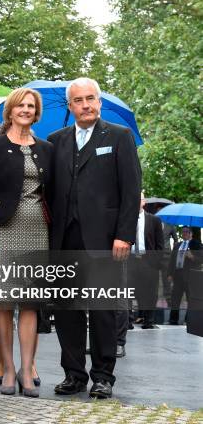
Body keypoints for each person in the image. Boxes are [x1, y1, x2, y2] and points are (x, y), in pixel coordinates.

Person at [49, 77, 141, 399]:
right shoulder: (55, 140)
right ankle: (73, 374)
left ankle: (103, 376)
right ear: (70, 106)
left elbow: (131, 190)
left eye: (91, 98)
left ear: (99, 102)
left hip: (104, 240)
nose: (86, 105)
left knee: (102, 309)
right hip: (63, 240)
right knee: (66, 312)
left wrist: (124, 235)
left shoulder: (119, 136)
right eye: (79, 100)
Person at [0, 87, 52, 398]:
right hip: (3, 230)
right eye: (20, 105)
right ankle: (7, 369)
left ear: (37, 112)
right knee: (4, 303)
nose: (25, 110)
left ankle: (28, 370)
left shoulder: (46, 148)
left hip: (37, 231)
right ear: (10, 110)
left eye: (31, 106)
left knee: (31, 303)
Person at [116, 193, 163, 357]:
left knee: (149, 291)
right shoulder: (125, 218)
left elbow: (159, 244)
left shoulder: (154, 220)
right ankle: (127, 321)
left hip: (147, 260)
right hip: (129, 260)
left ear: (143, 202)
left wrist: (156, 263)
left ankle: (149, 321)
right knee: (126, 291)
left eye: (139, 198)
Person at [168, 227, 201, 324]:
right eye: (183, 232)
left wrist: (193, 257)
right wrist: (169, 274)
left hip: (190, 276)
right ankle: (173, 320)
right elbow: (172, 260)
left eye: (187, 232)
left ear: (191, 233)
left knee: (190, 299)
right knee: (175, 299)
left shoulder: (196, 244)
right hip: (178, 275)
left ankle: (189, 320)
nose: (185, 233)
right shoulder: (178, 245)